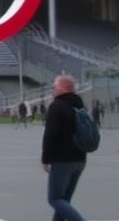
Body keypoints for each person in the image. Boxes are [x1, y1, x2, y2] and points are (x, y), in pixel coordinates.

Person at [41, 75, 87, 221]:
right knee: (64, 200)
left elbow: (50, 135)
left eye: (55, 86)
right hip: (80, 158)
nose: (54, 89)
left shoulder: (57, 106)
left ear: (62, 87)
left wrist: (45, 159)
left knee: (54, 199)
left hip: (62, 160)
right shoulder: (79, 105)